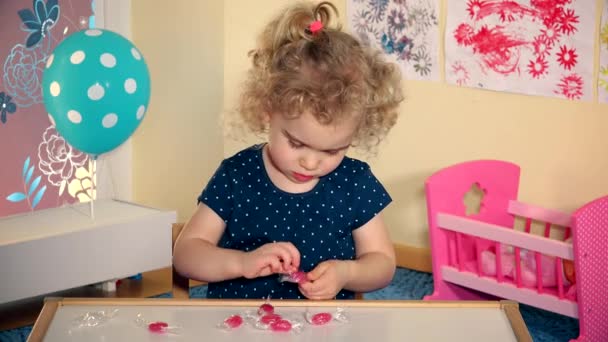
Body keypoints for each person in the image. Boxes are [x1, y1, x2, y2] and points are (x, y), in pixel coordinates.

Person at [173, 1, 404, 300]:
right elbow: (187, 255)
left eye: (333, 150)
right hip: (238, 325)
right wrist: (241, 263)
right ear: (269, 110)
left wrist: (347, 273)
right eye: (296, 143)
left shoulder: (354, 182)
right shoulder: (237, 175)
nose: (310, 162)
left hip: (322, 327)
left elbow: (382, 264)